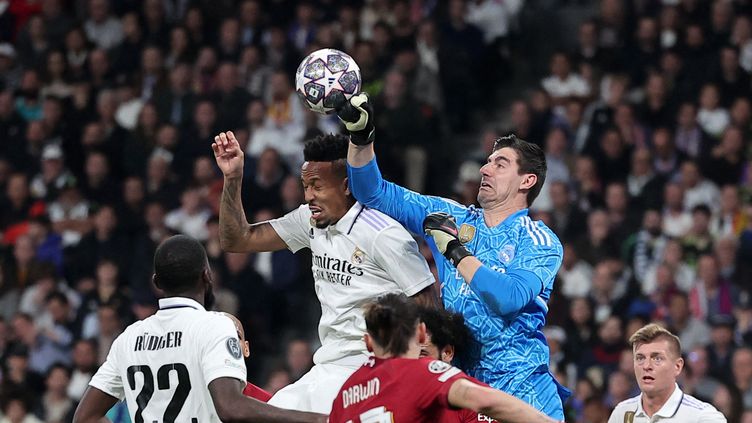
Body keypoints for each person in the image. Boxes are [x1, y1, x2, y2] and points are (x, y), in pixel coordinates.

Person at [336, 93, 569, 419]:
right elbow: (373, 192)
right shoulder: (451, 217)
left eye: (500, 164)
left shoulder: (538, 239)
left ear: (527, 181)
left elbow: (509, 297)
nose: (485, 169)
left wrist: (455, 251)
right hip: (464, 391)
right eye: (487, 161)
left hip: (523, 391)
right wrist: (361, 138)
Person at [212, 131, 437, 413]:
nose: (308, 197)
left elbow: (428, 304)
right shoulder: (309, 220)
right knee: (270, 413)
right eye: (305, 186)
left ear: (346, 186)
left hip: (375, 364)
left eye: (317, 186)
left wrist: (421, 377)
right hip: (328, 364)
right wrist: (232, 179)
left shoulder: (383, 234)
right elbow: (236, 240)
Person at [72, 235, 325, 423]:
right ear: (207, 276)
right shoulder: (214, 326)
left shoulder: (128, 338)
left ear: (156, 283)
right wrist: (321, 420)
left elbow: (84, 417)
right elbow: (231, 408)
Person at [328, 293, 561, 423]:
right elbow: (485, 401)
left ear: (368, 343)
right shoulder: (421, 373)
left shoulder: (345, 393)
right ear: (420, 333)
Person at [608, 323, 727, 423]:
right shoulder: (622, 413)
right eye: (640, 358)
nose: (646, 366)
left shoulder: (703, 417)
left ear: (677, 366)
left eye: (657, 358)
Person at [418, 306, 495, 422]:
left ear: (447, 353)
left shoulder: (476, 397)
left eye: (422, 353)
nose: (412, 361)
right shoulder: (389, 392)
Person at [222, 312, 273, 402]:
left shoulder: (268, 402)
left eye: (235, 336)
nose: (228, 343)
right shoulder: (191, 398)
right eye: (219, 338)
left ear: (246, 349)